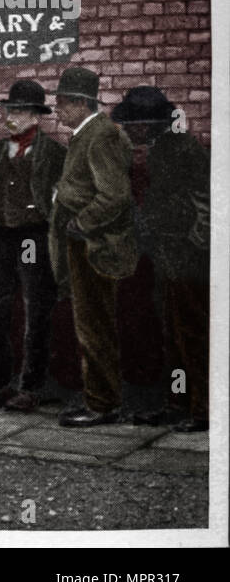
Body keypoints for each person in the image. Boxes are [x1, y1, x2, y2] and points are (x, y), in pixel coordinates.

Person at [0, 81, 66, 414]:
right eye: (10, 110)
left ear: (36, 116)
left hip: (32, 237)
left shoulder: (53, 153)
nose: (13, 117)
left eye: (21, 111)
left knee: (36, 309)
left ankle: (32, 386)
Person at [114, 86, 209, 433]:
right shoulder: (160, 151)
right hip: (165, 257)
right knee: (172, 335)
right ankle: (178, 401)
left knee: (191, 334)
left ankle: (201, 408)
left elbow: (206, 204)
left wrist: (193, 246)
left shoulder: (185, 150)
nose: (132, 130)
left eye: (138, 124)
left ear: (153, 123)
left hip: (186, 260)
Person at [48, 66, 137, 428]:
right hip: (86, 246)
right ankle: (99, 398)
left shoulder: (100, 136)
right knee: (89, 323)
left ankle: (102, 404)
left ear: (82, 104)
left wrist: (80, 224)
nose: (58, 111)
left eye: (63, 104)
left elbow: (114, 194)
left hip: (94, 247)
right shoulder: (89, 134)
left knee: (94, 325)